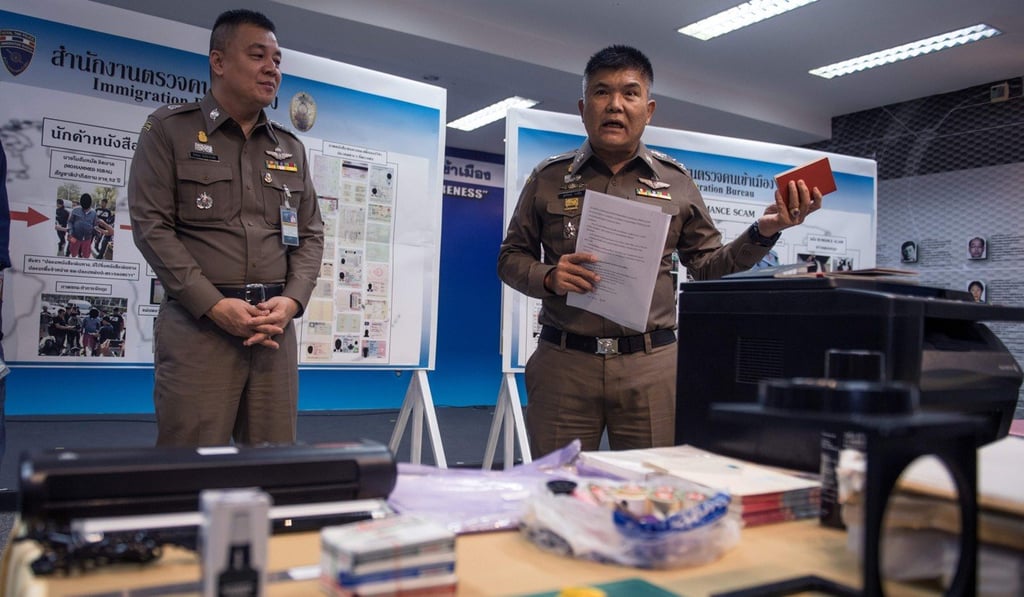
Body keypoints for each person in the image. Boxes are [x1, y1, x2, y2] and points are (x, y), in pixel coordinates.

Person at [497, 45, 824, 456]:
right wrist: (548, 276)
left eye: (629, 93)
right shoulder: (547, 178)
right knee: (558, 489)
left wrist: (763, 231)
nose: (615, 105)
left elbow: (707, 266)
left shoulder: (678, 183)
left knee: (654, 490)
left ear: (648, 110)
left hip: (651, 367)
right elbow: (510, 258)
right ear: (583, 108)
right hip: (565, 364)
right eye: (602, 92)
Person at [129, 9, 324, 447]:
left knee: (272, 469)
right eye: (258, 55)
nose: (271, 68)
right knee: (191, 470)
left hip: (273, 332)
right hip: (201, 329)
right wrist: (215, 306)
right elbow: (151, 227)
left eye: (277, 60)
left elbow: (310, 234)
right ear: (218, 61)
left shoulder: (289, 148)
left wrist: (292, 301)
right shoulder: (169, 130)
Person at [67, 194, 113, 258]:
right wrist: (70, 231)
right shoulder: (75, 210)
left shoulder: (94, 213)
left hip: (87, 238)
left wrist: (97, 234)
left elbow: (95, 225)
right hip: (75, 237)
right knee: (73, 253)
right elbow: (70, 222)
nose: (85, 210)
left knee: (86, 254)